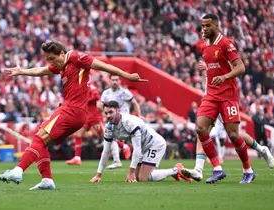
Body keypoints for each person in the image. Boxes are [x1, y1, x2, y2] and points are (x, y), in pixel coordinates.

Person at [0, 40, 147, 190]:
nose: (51, 63)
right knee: (42, 144)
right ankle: (47, 180)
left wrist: (126, 75)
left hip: (72, 109)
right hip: (76, 113)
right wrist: (22, 71)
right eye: (48, 59)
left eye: (52, 59)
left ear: (62, 53)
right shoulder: (60, 66)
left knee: (38, 138)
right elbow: (41, 71)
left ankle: (18, 170)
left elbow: (103, 66)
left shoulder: (75, 57)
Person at [195, 14, 254, 184]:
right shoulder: (204, 46)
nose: (204, 29)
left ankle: (248, 170)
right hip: (211, 95)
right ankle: (217, 169)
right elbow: (214, 66)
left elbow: (241, 67)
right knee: (200, 128)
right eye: (202, 26)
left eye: (207, 26)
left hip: (228, 95)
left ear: (216, 26)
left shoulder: (226, 43)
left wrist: (225, 77)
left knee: (233, 136)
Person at [89, 101, 192, 183]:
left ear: (118, 111)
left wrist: (131, 172)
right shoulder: (109, 127)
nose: (108, 115)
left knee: (143, 179)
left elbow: (137, 148)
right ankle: (173, 172)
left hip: (155, 144)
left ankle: (175, 170)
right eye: (106, 113)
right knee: (137, 178)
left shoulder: (129, 123)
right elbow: (106, 152)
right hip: (143, 148)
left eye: (111, 112)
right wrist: (98, 175)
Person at [97, 75, 141, 169]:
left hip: (125, 121)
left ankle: (126, 153)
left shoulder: (125, 92)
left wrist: (139, 116)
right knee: (109, 139)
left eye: (116, 80)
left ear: (120, 81)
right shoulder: (106, 93)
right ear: (109, 81)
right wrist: (100, 108)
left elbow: (135, 103)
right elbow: (102, 107)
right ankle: (119, 157)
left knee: (130, 139)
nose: (114, 82)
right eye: (113, 80)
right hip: (112, 121)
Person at [65, 83, 104, 165]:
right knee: (77, 134)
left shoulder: (90, 84)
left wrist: (85, 100)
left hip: (94, 116)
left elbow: (97, 96)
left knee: (104, 134)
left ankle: (123, 146)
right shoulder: (80, 86)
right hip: (86, 116)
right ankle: (77, 158)